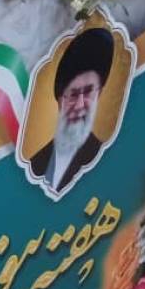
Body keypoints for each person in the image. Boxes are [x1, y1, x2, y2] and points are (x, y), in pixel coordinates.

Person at [29, 27, 115, 193]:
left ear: (99, 94)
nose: (80, 105)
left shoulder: (104, 155)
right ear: (60, 101)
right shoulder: (35, 164)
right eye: (73, 95)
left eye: (88, 92)